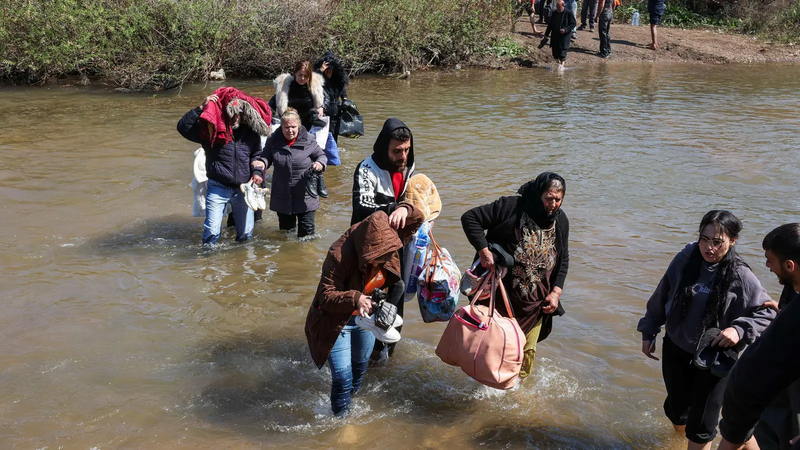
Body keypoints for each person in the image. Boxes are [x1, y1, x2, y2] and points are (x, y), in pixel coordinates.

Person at [637, 210, 776, 450]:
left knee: (702, 426)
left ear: (732, 241)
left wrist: (739, 329)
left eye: (717, 242)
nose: (708, 248)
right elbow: (663, 292)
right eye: (704, 239)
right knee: (676, 411)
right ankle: (681, 442)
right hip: (676, 349)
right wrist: (649, 330)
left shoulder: (740, 274)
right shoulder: (686, 257)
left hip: (714, 357)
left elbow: (769, 311)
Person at [304, 205, 424, 416]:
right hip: (336, 320)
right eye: (378, 258)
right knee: (342, 377)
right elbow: (325, 295)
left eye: (388, 255)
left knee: (359, 368)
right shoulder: (339, 254)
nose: (384, 261)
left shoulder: (388, 240)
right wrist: (356, 298)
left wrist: (404, 208)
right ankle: (340, 422)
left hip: (365, 319)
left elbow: (417, 220)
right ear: (367, 250)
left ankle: (349, 403)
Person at [461, 172, 570, 380]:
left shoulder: (561, 221)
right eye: (549, 198)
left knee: (524, 359)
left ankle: (511, 398)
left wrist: (556, 292)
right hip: (501, 300)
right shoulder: (511, 207)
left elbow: (563, 259)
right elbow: (470, 218)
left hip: (535, 306)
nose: (553, 204)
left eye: (558, 199)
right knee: (491, 355)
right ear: (538, 194)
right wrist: (484, 252)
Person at [717, 224, 800, 450]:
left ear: (790, 265)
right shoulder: (793, 289)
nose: (766, 265)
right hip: (771, 400)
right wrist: (783, 312)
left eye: (769, 260)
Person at [177, 87, 271, 245]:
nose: (234, 118)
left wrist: (256, 172)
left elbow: (257, 155)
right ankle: (209, 262)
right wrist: (201, 107)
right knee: (212, 232)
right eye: (231, 114)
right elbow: (183, 127)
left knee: (246, 233)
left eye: (238, 114)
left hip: (244, 188)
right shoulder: (211, 129)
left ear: (243, 113)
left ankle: (241, 263)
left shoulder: (250, 132)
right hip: (218, 186)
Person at [256, 108, 326, 238]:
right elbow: (266, 157)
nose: (290, 130)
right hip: (283, 195)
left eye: (293, 127)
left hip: (306, 195)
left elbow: (321, 155)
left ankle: (306, 258)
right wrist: (261, 164)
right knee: (286, 236)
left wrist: (320, 164)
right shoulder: (273, 140)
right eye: (286, 127)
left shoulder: (309, 140)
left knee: (307, 236)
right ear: (281, 127)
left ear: (299, 126)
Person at [351, 118, 416, 227]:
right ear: (384, 149)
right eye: (397, 151)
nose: (403, 156)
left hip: (396, 226)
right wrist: (395, 208)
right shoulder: (367, 169)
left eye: (407, 149)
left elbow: (410, 197)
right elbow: (361, 209)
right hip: (369, 231)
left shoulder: (407, 165)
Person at [270, 60, 325, 132]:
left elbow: (326, 101)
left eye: (306, 76)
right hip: (289, 126)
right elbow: (271, 107)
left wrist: (321, 107)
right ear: (295, 73)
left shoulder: (315, 86)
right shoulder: (284, 86)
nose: (302, 78)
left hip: (309, 125)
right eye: (300, 75)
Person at [314, 51, 349, 142]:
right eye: (326, 69)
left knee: (334, 138)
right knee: (321, 137)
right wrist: (320, 70)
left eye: (331, 69)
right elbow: (310, 82)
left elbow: (343, 92)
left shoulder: (338, 79)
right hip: (323, 111)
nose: (328, 71)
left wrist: (345, 100)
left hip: (336, 112)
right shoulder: (318, 78)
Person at [542, 0, 577, 71]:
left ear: (563, 6)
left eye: (559, 8)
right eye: (557, 7)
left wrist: (565, 29)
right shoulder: (554, 13)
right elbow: (550, 25)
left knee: (562, 52)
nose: (558, 9)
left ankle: (562, 66)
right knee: (555, 53)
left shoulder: (568, 13)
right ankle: (559, 65)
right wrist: (546, 35)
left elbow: (573, 24)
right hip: (555, 35)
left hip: (564, 36)